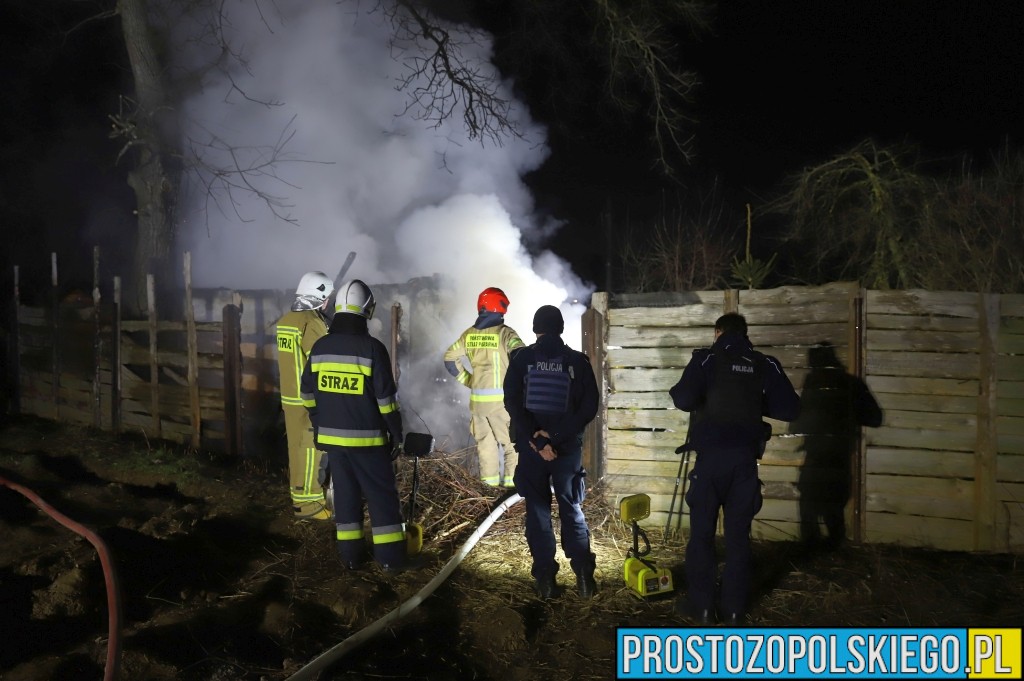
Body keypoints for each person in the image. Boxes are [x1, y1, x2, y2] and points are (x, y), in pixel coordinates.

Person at [669, 312, 800, 625]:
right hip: (744, 464)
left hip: (710, 463)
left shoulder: (706, 359)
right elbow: (790, 408)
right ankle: (734, 610)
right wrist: (753, 401)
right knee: (738, 537)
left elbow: (683, 398)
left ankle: (702, 609)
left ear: (718, 332)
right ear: (745, 334)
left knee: (701, 535)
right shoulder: (763, 363)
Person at [300, 279, 408, 571]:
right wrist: (397, 434)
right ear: (367, 309)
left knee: (345, 499)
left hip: (334, 443)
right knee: (381, 499)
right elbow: (386, 400)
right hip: (368, 442)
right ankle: (390, 560)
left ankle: (350, 558)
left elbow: (306, 393)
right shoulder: (372, 349)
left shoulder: (321, 347)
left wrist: (319, 422)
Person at [504, 304, 600, 599]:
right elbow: (589, 407)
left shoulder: (522, 359)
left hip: (534, 451)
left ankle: (545, 582)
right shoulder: (577, 362)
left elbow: (513, 403)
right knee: (571, 508)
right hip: (566, 450)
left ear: (536, 329)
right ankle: (584, 579)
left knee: (537, 511)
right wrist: (556, 437)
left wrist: (538, 441)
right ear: (560, 329)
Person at [793, 341, 882, 549]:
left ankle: (818, 553)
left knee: (814, 509)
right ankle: (829, 553)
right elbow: (873, 417)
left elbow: (796, 423)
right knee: (829, 509)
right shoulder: (848, 384)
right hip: (836, 457)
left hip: (823, 457)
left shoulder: (817, 385)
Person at [444, 287, 525, 487]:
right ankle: (510, 493)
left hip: (478, 405)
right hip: (501, 405)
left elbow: (449, 359)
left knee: (485, 447)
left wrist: (470, 381)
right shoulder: (505, 333)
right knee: (511, 446)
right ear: (500, 306)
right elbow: (522, 354)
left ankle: (489, 491)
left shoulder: (469, 335)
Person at [275, 271, 334, 520]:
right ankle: (309, 506)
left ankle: (299, 498)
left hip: (290, 397)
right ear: (322, 297)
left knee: (296, 449)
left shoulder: (287, 320)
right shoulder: (312, 322)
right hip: (309, 399)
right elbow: (321, 362)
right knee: (310, 450)